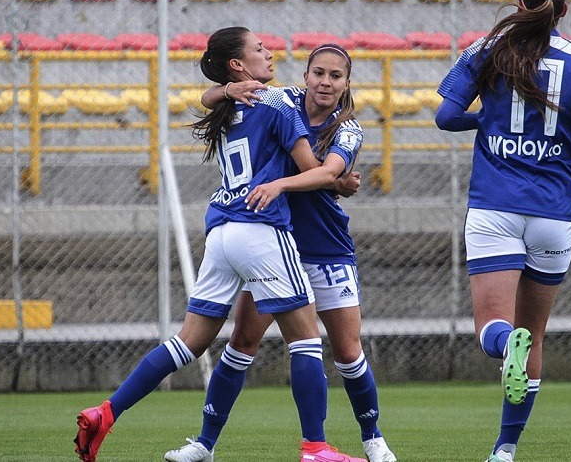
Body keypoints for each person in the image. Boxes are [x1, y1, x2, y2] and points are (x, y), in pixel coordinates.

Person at [73, 27, 367, 462]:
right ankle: (316, 448)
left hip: (221, 232)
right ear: (238, 63)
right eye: (260, 49)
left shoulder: (230, 104)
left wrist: (225, 89)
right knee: (305, 341)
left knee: (188, 342)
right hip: (261, 230)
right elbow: (315, 171)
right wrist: (339, 181)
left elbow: (204, 99)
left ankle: (107, 411)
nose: (270, 54)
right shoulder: (278, 103)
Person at [163, 43, 397, 462]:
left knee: (346, 351)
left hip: (326, 249)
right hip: (274, 245)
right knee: (242, 341)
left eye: (336, 76)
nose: (326, 82)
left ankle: (372, 437)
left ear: (346, 84)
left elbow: (326, 171)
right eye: (319, 73)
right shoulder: (280, 99)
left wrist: (285, 185)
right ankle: (204, 443)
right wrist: (227, 92)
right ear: (305, 76)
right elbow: (207, 96)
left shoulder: (348, 129)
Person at [434, 0, 571, 459]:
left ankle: (507, 346)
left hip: (496, 206)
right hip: (555, 213)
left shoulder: (487, 48)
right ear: (564, 12)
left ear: (520, 4)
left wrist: (485, 121)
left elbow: (444, 116)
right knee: (535, 332)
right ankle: (505, 449)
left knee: (493, 331)